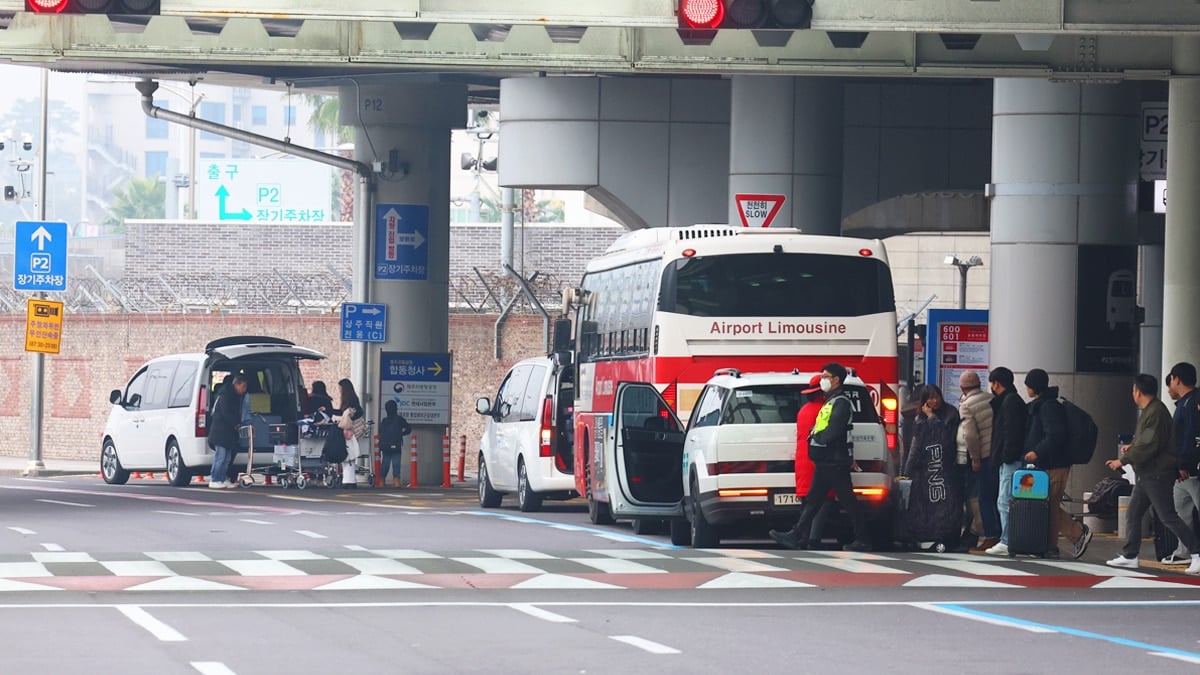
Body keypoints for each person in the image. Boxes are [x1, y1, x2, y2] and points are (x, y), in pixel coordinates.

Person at [769, 363, 871, 552]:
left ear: (836, 379)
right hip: (827, 460)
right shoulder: (831, 401)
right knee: (814, 500)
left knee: (846, 501)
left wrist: (816, 438)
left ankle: (863, 538)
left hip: (834, 460)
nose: (823, 379)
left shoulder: (840, 402)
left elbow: (833, 430)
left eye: (825, 376)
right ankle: (797, 534)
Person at [1105, 373, 1200, 574]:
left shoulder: (1155, 412)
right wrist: (1132, 447)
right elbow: (1149, 441)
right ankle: (1130, 555)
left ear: (1138, 392)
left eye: (1133, 390)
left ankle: (1197, 553)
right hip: (1148, 474)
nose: (1132, 393)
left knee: (1168, 517)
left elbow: (1149, 444)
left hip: (1157, 474)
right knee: (1133, 513)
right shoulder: (1152, 411)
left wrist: (1122, 460)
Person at [1021, 368, 1091, 560]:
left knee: (1050, 504)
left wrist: (1037, 451)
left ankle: (1074, 535)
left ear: (1033, 386)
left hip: (1055, 464)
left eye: (1028, 384)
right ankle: (1050, 545)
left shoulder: (1048, 407)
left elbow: (1056, 434)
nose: (1026, 388)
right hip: (1048, 464)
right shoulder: (1043, 405)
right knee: (1047, 504)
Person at [903, 384, 962, 550]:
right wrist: (907, 470)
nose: (934, 401)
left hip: (943, 467)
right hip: (924, 469)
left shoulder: (950, 414)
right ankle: (926, 535)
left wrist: (931, 417)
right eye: (930, 398)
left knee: (944, 503)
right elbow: (915, 445)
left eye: (937, 397)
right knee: (924, 504)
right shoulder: (918, 418)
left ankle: (945, 536)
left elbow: (945, 437)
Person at [984, 366, 1028, 556]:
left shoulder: (1009, 403)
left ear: (996, 384)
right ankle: (1008, 539)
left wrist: (1006, 456)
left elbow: (1010, 433)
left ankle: (1007, 540)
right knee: (1005, 499)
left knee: (1005, 500)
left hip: (1010, 459)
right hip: (1009, 458)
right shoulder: (1012, 400)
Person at [1161, 363, 1200, 564]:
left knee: (1183, 510)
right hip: (1183, 469)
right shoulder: (1185, 404)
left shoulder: (1193, 403)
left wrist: (1186, 463)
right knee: (1180, 510)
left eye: (1171, 381)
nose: (1170, 387)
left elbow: (1193, 437)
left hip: (1191, 469)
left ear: (1177, 379)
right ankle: (1185, 551)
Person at [959, 370, 999, 553]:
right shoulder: (991, 398)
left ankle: (990, 536)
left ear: (962, 387)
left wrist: (975, 458)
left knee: (983, 498)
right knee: (998, 497)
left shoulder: (966, 405)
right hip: (998, 453)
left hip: (984, 456)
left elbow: (971, 435)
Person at [207, 374, 247, 489]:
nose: (244, 390)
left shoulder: (235, 396)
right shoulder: (226, 395)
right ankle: (215, 479)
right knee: (220, 457)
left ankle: (223, 478)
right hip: (221, 432)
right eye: (243, 386)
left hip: (229, 433)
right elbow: (226, 413)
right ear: (236, 384)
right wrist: (236, 423)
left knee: (227, 458)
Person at [333, 378, 365, 488]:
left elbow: (346, 413)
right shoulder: (354, 400)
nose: (339, 390)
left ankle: (348, 481)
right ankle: (350, 480)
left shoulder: (349, 401)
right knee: (349, 456)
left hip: (349, 431)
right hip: (351, 431)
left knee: (347, 456)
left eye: (340, 388)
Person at [378, 399, 412, 488]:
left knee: (385, 463)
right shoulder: (399, 419)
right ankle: (396, 481)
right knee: (396, 463)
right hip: (396, 444)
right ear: (396, 408)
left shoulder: (384, 420)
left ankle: (381, 480)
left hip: (385, 446)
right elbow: (408, 429)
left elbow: (380, 432)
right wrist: (401, 434)